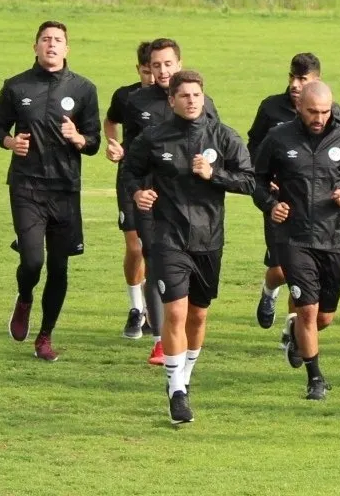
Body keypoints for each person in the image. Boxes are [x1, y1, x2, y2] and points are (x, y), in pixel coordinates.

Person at [121, 70, 254, 424]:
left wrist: (215, 175)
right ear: (172, 100)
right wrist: (138, 193)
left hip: (209, 239)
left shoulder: (223, 136)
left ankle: (185, 376)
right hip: (168, 236)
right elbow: (130, 171)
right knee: (176, 313)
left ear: (203, 97)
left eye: (196, 95)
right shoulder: (154, 138)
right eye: (184, 95)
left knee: (198, 315)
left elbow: (249, 181)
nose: (192, 100)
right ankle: (176, 390)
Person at [252, 81, 340, 400]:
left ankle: (296, 335)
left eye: (324, 112)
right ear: (299, 108)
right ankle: (315, 378)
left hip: (332, 238)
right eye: (312, 112)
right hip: (294, 237)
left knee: (324, 317)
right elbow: (257, 180)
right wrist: (271, 204)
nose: (319, 118)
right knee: (307, 310)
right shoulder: (278, 138)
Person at [0, 20, 101, 361]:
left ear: (67, 48)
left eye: (57, 40)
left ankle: (45, 337)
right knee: (32, 260)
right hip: (26, 185)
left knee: (58, 267)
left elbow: (94, 141)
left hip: (65, 189)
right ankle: (25, 298)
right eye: (45, 39)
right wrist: (10, 142)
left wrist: (78, 138)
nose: (51, 44)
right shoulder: (16, 86)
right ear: (35, 46)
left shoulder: (84, 89)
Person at [122, 38, 220, 365]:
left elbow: (216, 146)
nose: (162, 70)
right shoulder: (136, 102)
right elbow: (130, 155)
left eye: (168, 64)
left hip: (191, 204)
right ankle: (160, 340)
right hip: (151, 200)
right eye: (156, 65)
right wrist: (136, 189)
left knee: (186, 281)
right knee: (153, 258)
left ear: (179, 64)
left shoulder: (203, 103)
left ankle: (175, 332)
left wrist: (211, 175)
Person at [249, 53, 340, 341]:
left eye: (302, 79)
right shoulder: (271, 108)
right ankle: (269, 291)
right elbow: (253, 148)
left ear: (316, 81)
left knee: (301, 277)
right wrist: (267, 180)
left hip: (317, 211)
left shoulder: (333, 114)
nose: (295, 84)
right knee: (280, 270)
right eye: (292, 76)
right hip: (281, 204)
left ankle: (292, 331)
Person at [104, 41, 156, 339]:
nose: (152, 76)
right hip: (131, 179)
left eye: (157, 69)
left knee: (156, 249)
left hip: (163, 183)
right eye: (147, 71)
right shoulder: (126, 97)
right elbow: (110, 121)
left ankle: (155, 311)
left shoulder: (174, 96)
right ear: (139, 69)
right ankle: (136, 309)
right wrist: (115, 146)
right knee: (135, 247)